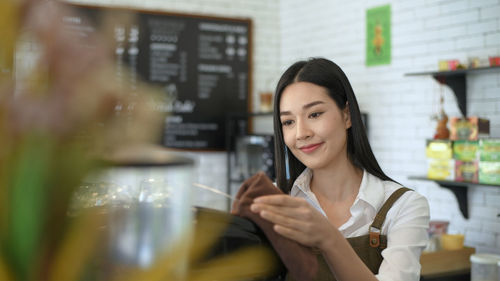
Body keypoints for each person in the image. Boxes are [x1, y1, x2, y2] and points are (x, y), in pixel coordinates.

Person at [249, 58, 430, 281]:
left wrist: (328, 238)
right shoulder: (276, 201)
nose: (300, 133)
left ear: (347, 115)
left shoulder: (403, 206)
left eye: (314, 114)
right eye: (288, 122)